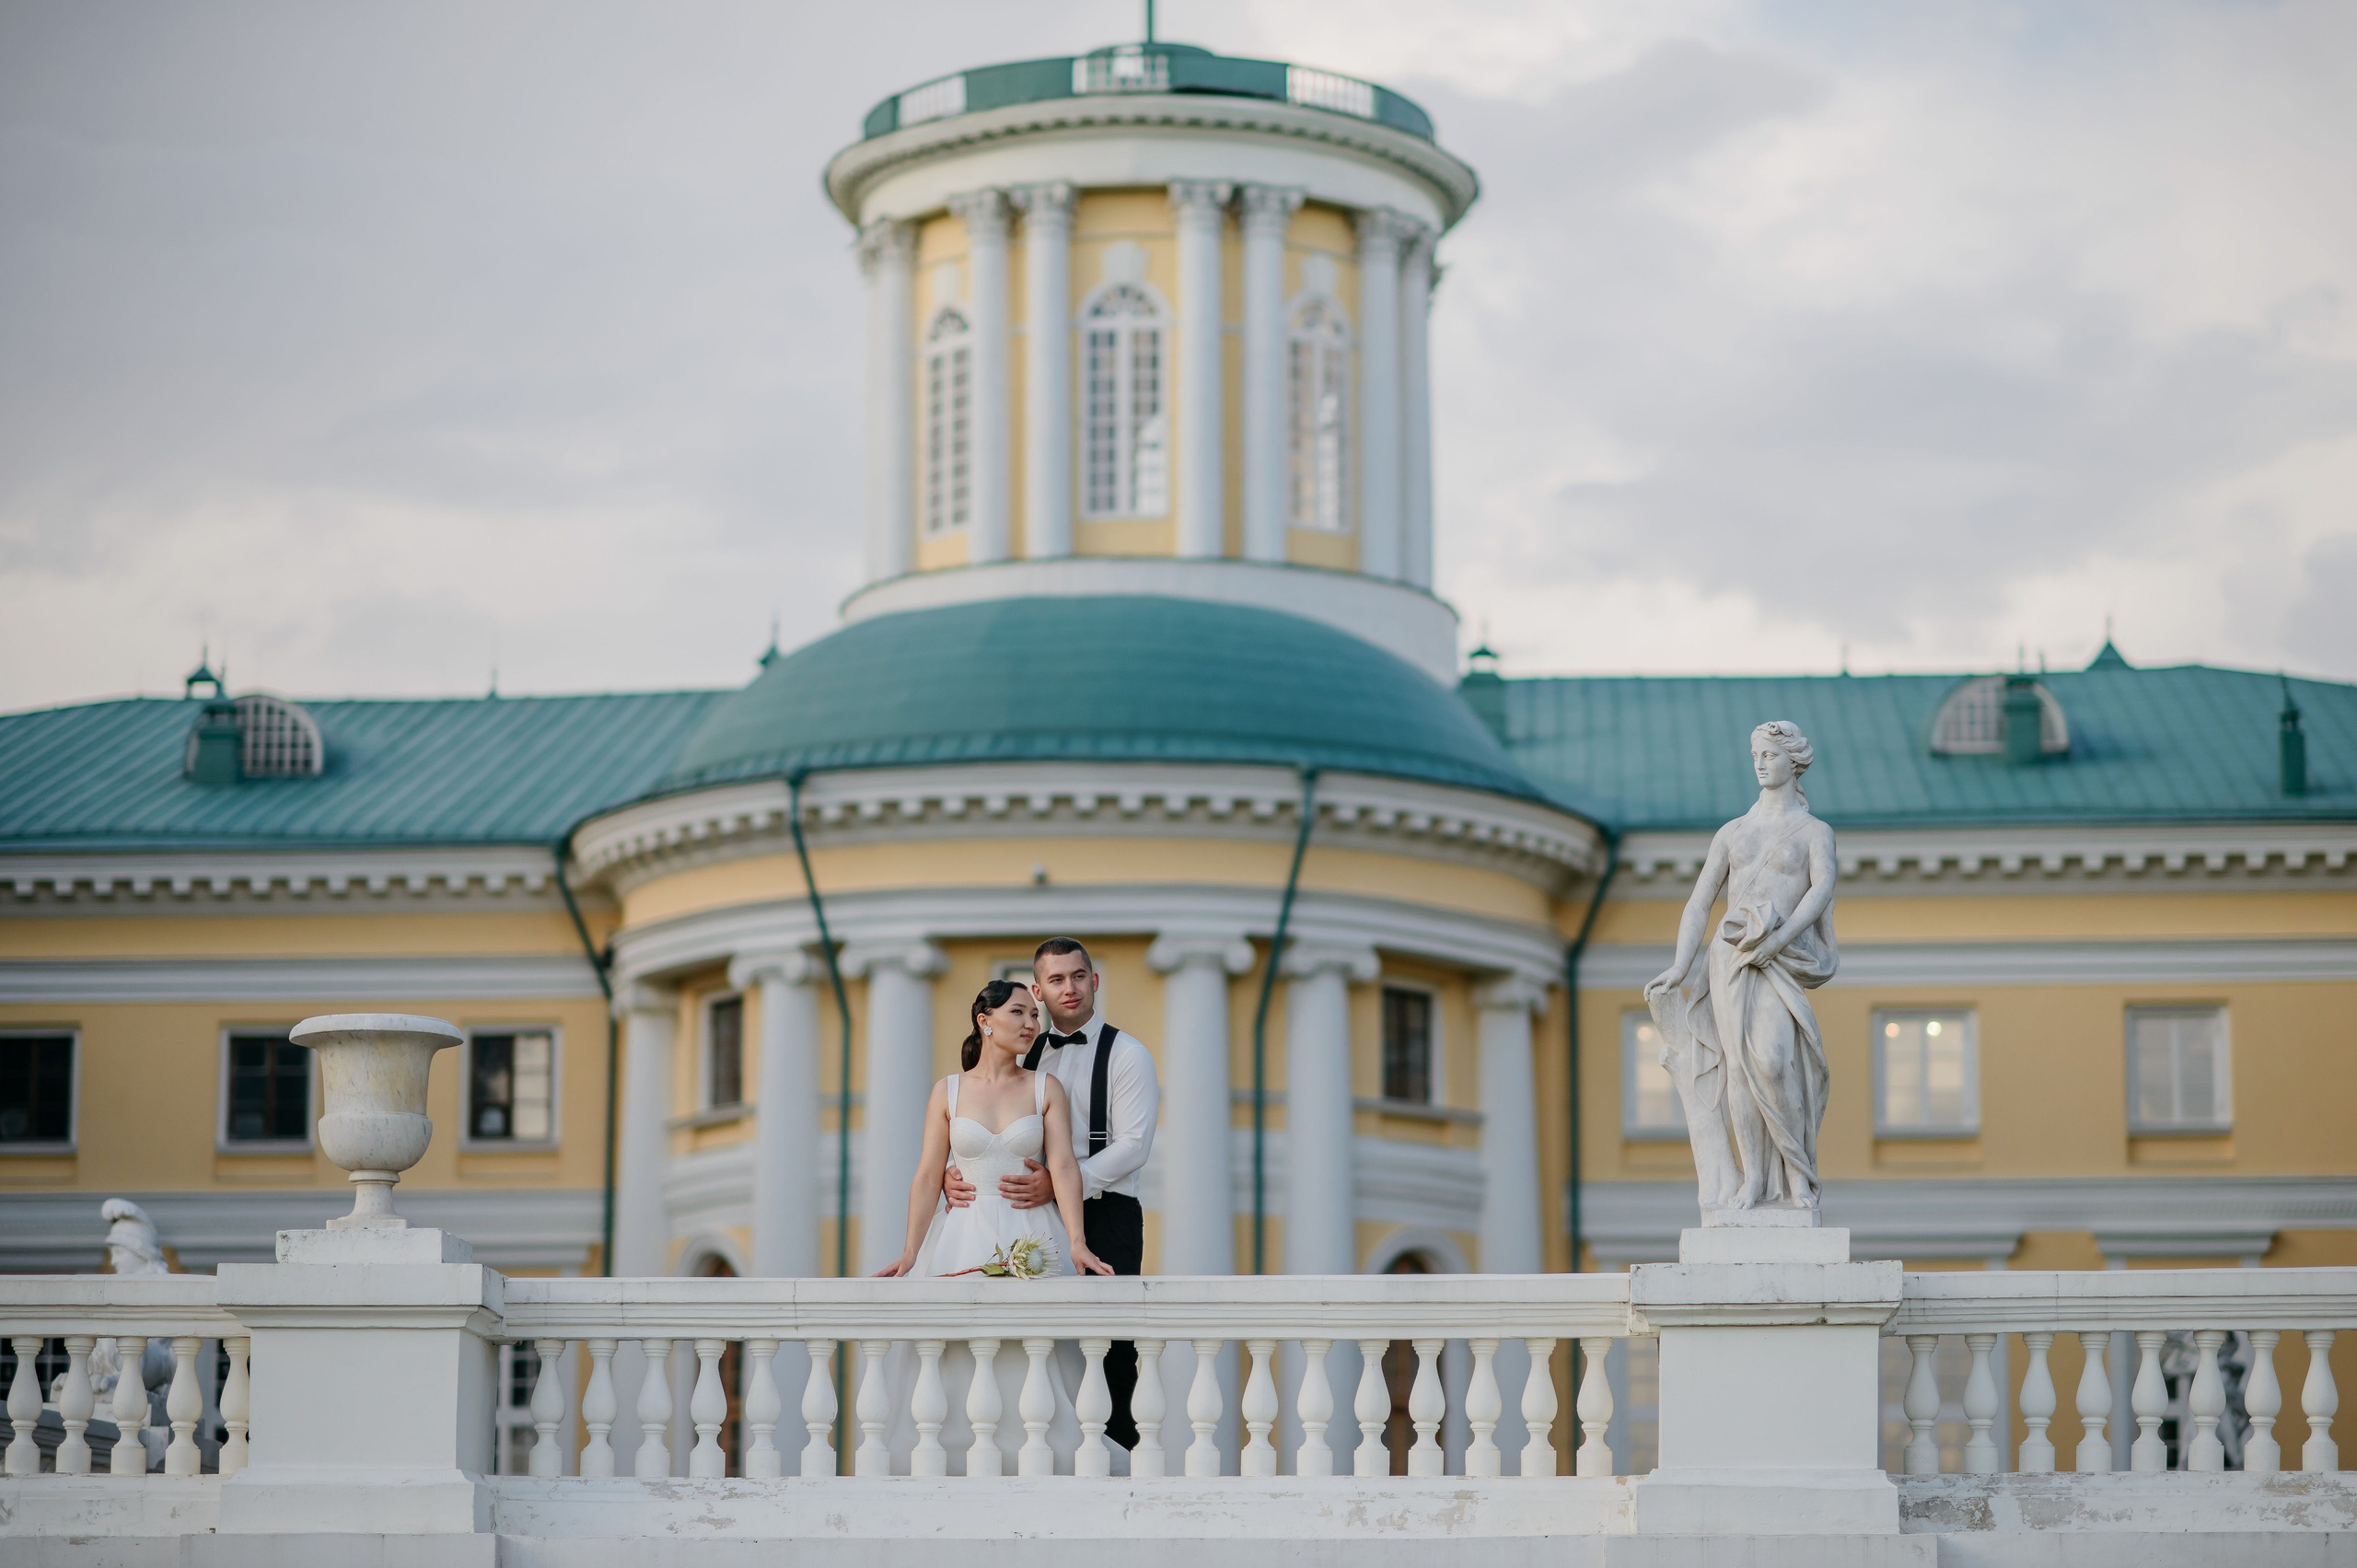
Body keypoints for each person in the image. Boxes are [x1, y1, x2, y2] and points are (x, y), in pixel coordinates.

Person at [945, 937, 1159, 1448]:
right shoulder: (1022, 1048)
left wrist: (1063, 1182)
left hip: (1106, 1215)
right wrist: (954, 1172)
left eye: (1079, 976)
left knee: (1111, 1346)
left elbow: (1134, 1144)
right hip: (1024, 1214)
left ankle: (1115, 1462)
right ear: (1038, 991)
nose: (1070, 988)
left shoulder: (1128, 1055)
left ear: (1095, 981)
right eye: (1057, 980)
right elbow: (982, 1118)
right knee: (1030, 1344)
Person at [1643, 720, 1840, 1214]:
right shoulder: (1733, 832)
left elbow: (1819, 891)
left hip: (1780, 957)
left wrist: (1780, 939)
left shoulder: (1815, 832)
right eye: (1754, 754)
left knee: (1773, 1062)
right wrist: (1680, 966)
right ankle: (1753, 1180)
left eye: (1768, 755)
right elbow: (1699, 902)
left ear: (1793, 762)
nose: (1758, 763)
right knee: (1737, 1069)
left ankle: (1798, 1174)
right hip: (1731, 957)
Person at [877, 977, 1114, 1280]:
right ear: (984, 1021)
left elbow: (1065, 1166)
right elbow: (927, 1175)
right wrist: (910, 1252)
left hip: (1035, 1234)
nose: (1030, 1023)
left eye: (1034, 1014)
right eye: (1018, 1012)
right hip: (963, 1234)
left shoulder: (1045, 1087)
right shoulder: (947, 1090)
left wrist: (1078, 1243)